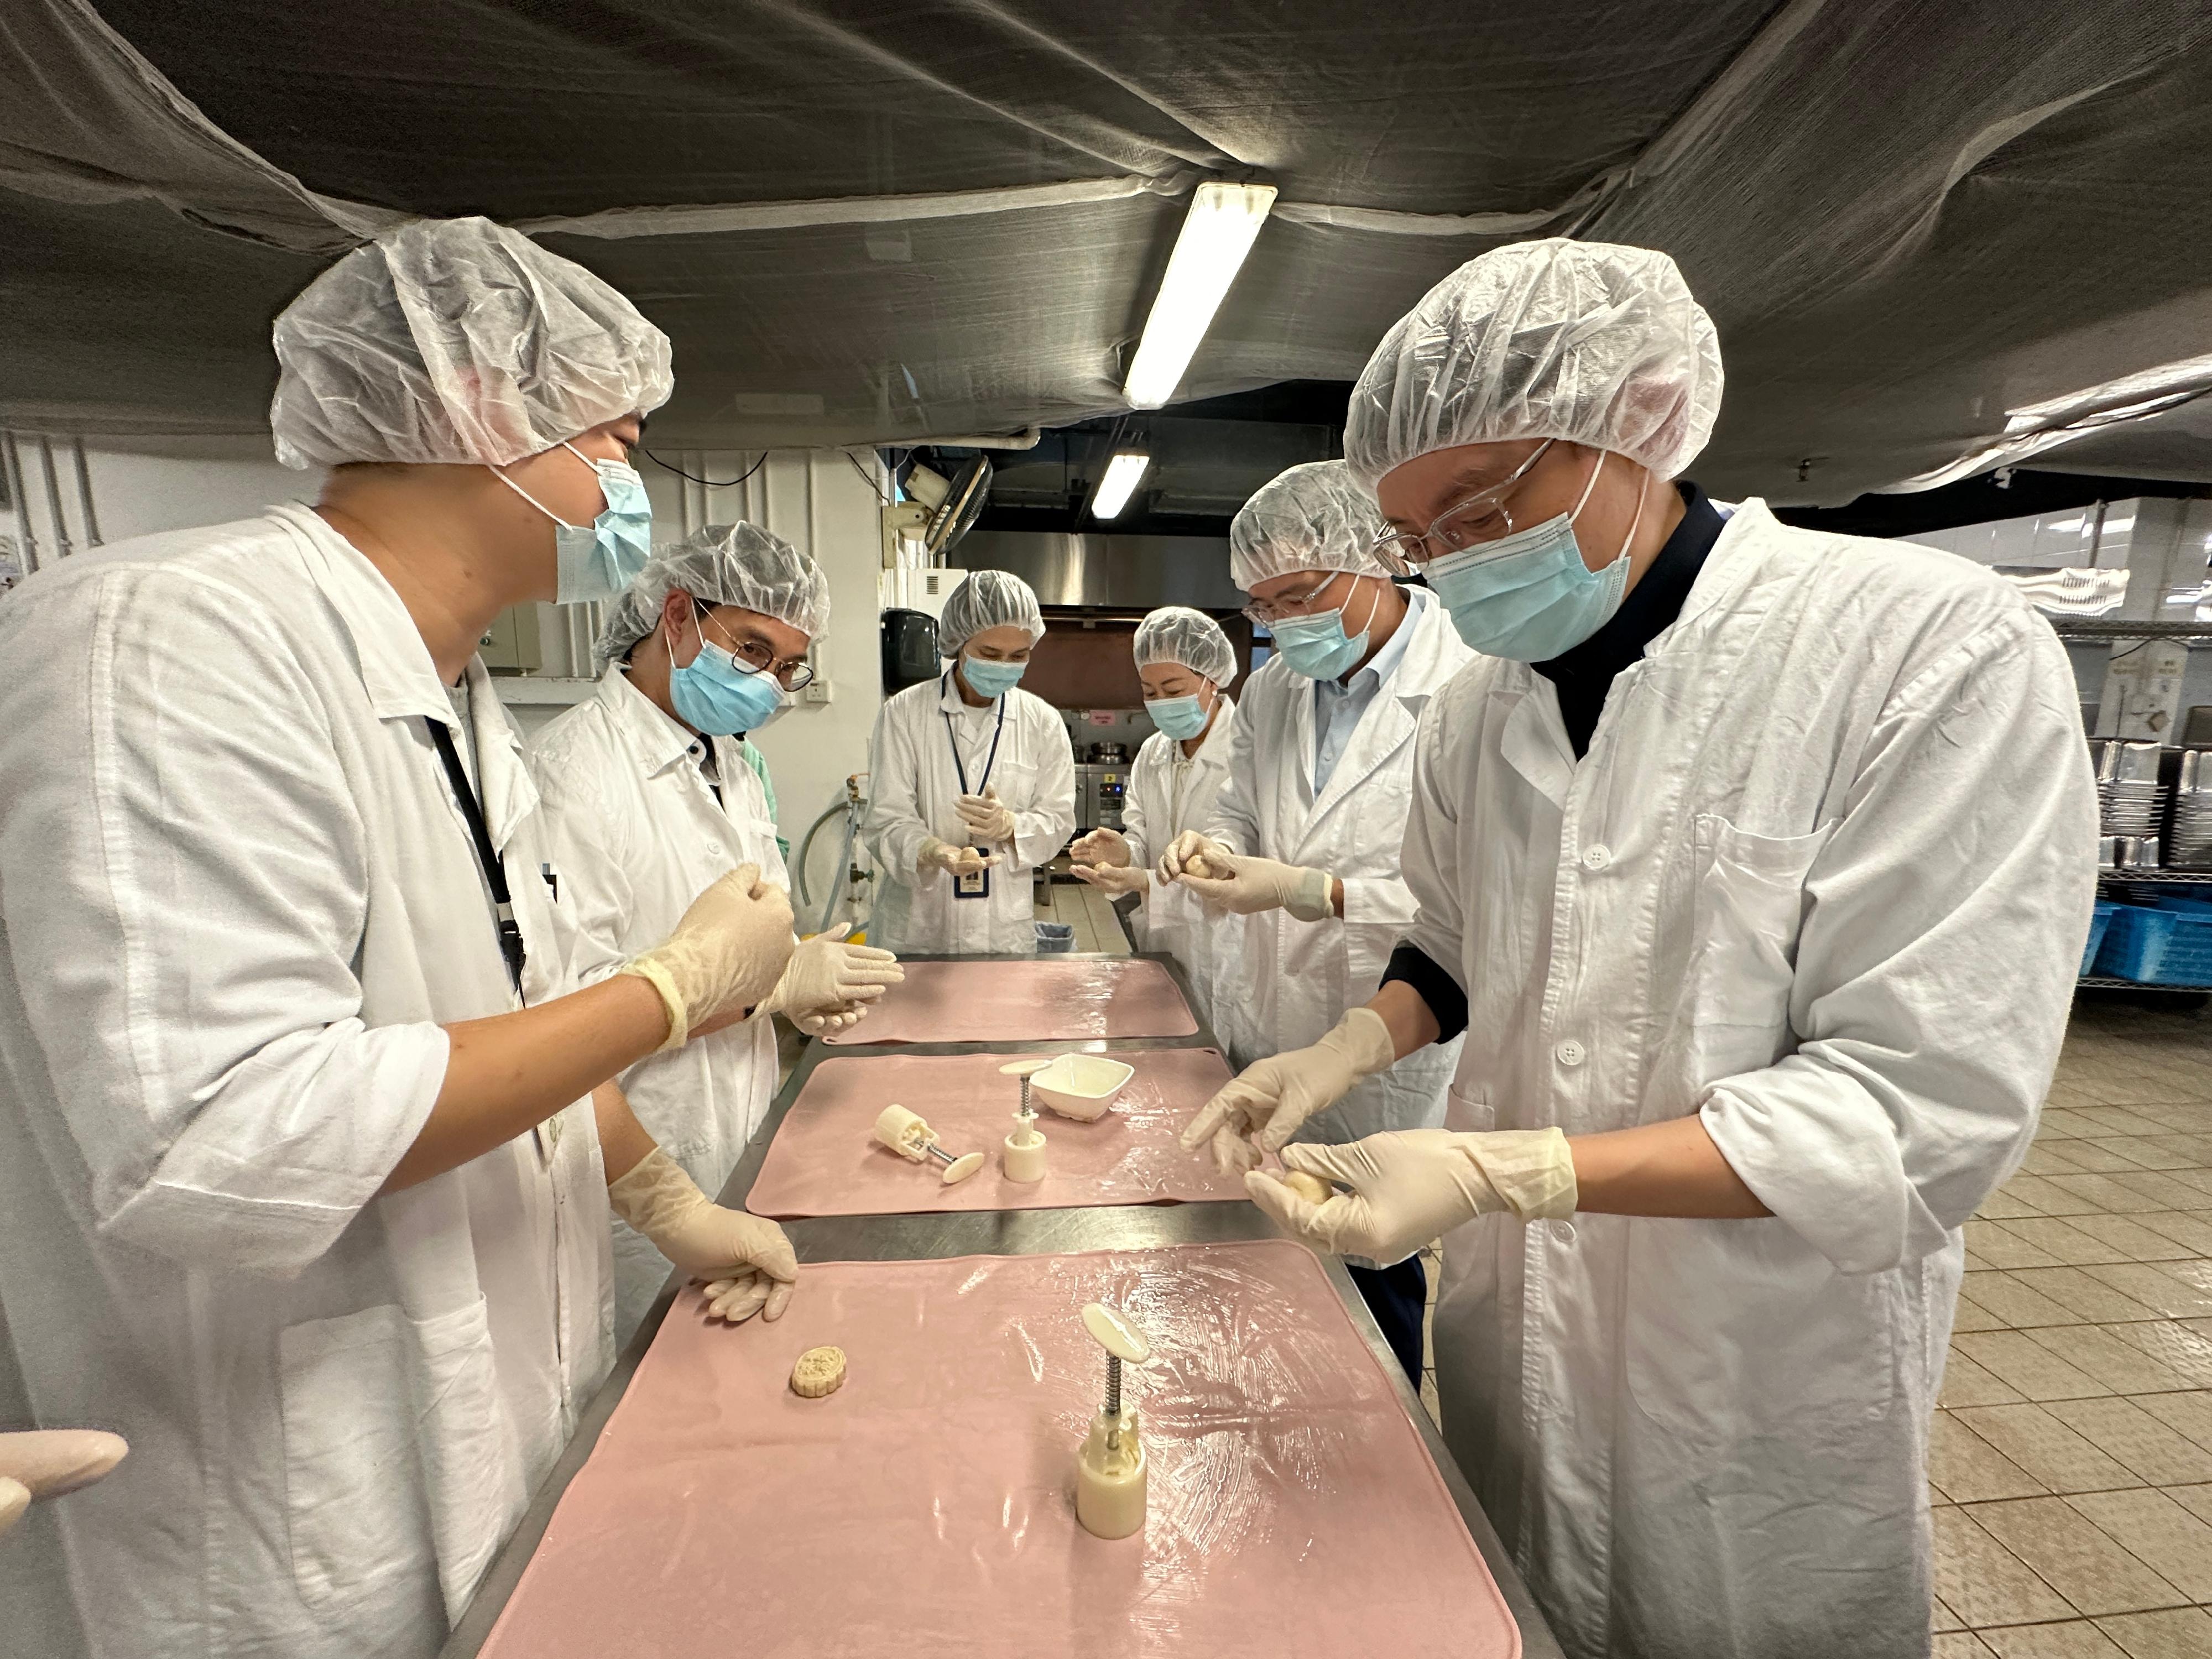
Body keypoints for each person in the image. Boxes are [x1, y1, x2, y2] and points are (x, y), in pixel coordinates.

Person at [1213, 239, 2099, 1659]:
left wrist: (1514, 1167)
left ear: (1639, 416)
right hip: (1517, 1345)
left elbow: (1916, 1106)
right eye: (1420, 540)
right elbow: (1450, 949)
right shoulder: (1476, 713)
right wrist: (1339, 1048)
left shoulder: (1918, 651)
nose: (1453, 562)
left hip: (1749, 1371)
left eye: (1480, 504)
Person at [0, 217, 806, 1659]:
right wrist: (671, 994)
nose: (628, 492)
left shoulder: (459, 701)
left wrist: (669, 1204)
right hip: (268, 1523)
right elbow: (226, 1134)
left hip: (484, 1436)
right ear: (485, 411)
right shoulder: (173, 640)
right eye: (616, 444)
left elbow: (522, 1017)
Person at [531, 525, 905, 1342]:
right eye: (752, 648)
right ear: (676, 616)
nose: (769, 683)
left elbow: (749, 935)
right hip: (638, 1165)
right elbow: (561, 1027)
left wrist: (792, 986)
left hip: (738, 1134)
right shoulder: (570, 776)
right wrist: (764, 993)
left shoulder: (731, 766)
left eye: (787, 668)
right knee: (645, 1383)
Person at [1154, 460, 1473, 1381]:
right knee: (1269, 1268)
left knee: (1370, 1271)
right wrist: (1212, 848)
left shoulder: (1473, 678)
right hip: (1267, 1011)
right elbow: (1240, 810)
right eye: (1263, 606)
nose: (1284, 624)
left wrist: (1311, 891)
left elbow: (1474, 905)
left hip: (1388, 1034)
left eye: (1298, 595)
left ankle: (1382, 1438)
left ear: (1379, 561)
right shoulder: (1273, 689)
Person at [863, 568, 1076, 955]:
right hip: (920, 925)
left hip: (1002, 927)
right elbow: (886, 818)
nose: (1003, 665)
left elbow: (1059, 820)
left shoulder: (1042, 722)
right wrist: (933, 851)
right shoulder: (905, 713)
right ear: (958, 644)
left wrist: (1012, 826)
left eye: (1019, 656)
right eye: (990, 654)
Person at [1068, 606, 1244, 1042]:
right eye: (1150, 690)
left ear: (1212, 678)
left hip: (1231, 951)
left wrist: (1148, 881)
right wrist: (1124, 854)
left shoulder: (1248, 749)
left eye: (1173, 688)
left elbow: (1237, 859)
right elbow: (1144, 835)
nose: (1162, 702)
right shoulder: (1152, 751)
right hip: (1164, 943)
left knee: (1224, 1065)